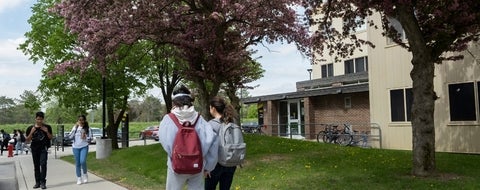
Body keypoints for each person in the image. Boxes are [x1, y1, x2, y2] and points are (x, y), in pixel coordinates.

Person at [158, 85, 218, 190]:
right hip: (197, 166)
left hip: (175, 166)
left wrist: (175, 156)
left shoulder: (168, 119)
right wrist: (209, 167)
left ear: (174, 103)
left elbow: (164, 142)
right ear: (190, 101)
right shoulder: (200, 120)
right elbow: (213, 142)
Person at [205, 96, 239, 190]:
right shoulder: (232, 121)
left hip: (215, 165)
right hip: (231, 162)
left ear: (213, 108)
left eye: (210, 107)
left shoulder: (211, 124)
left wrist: (207, 167)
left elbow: (207, 147)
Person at [26, 111, 53, 189]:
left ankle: (43, 182)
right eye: (38, 119)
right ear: (35, 119)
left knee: (43, 164)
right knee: (36, 166)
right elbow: (27, 140)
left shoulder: (47, 127)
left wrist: (46, 131)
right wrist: (31, 132)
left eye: (41, 119)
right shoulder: (30, 128)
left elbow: (51, 137)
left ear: (43, 119)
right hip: (34, 149)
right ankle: (37, 182)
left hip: (43, 148)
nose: (39, 121)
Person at [68, 115, 92, 185]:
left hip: (84, 146)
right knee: (77, 163)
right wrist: (75, 128)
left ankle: (85, 174)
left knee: (83, 161)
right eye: (79, 120)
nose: (81, 121)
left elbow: (90, 139)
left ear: (84, 120)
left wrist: (85, 137)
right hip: (75, 147)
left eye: (82, 120)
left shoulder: (87, 128)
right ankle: (79, 178)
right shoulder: (75, 127)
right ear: (78, 121)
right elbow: (70, 136)